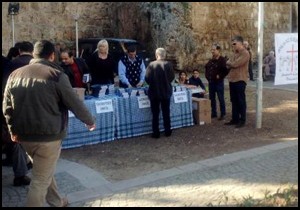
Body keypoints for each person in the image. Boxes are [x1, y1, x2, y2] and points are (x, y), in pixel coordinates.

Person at [2, 40, 96, 207]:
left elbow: (7, 107)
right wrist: (89, 120)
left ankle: (56, 201)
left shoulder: (15, 75)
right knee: (39, 180)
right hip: (48, 136)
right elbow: (74, 102)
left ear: (34, 55)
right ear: (52, 55)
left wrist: (12, 129)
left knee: (42, 170)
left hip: (24, 135)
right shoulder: (56, 75)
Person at [2, 41, 34, 186]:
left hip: (12, 107)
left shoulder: (10, 64)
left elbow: (6, 89)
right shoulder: (36, 64)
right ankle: (22, 172)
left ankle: (21, 170)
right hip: (29, 108)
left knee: (14, 140)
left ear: (19, 50)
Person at [145, 47, 175, 138]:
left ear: (156, 55)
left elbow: (147, 79)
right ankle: (167, 130)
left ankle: (156, 132)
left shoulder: (151, 65)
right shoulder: (168, 65)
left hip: (154, 92)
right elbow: (172, 77)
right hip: (166, 91)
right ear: (164, 55)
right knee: (166, 112)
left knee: (155, 113)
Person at [225, 35, 250, 128]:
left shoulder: (245, 53)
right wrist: (230, 63)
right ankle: (235, 119)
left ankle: (242, 120)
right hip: (232, 80)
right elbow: (227, 64)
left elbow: (235, 64)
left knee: (240, 101)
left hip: (240, 80)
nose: (233, 45)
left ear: (240, 43)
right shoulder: (234, 53)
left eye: (234, 43)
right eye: (232, 44)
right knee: (233, 100)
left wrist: (230, 63)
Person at [205, 44, 229, 120]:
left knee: (220, 97)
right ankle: (214, 113)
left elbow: (226, 70)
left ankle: (223, 113)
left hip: (218, 83)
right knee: (212, 98)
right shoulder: (211, 60)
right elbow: (206, 68)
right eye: (211, 50)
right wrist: (207, 76)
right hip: (211, 82)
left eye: (214, 50)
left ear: (218, 50)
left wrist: (220, 76)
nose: (212, 51)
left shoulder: (222, 60)